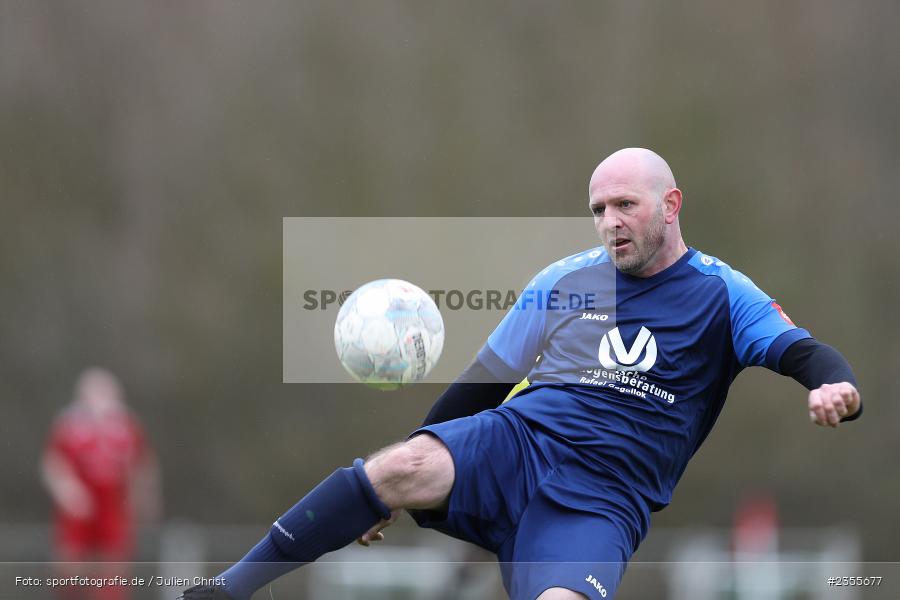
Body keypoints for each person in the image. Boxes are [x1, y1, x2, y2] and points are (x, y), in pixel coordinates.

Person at [179, 148, 861, 600]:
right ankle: (224, 591)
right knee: (396, 466)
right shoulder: (564, 280)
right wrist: (403, 480)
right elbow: (480, 387)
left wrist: (832, 385)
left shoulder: (722, 293)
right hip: (518, 443)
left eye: (625, 205)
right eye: (598, 209)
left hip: (604, 494)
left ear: (671, 205)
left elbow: (798, 349)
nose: (609, 222)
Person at [42, 368, 161, 599]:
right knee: (69, 569)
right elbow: (52, 464)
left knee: (112, 571)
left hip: (113, 504)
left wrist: (146, 497)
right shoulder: (69, 425)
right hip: (78, 508)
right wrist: (67, 489)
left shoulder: (127, 425)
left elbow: (144, 464)